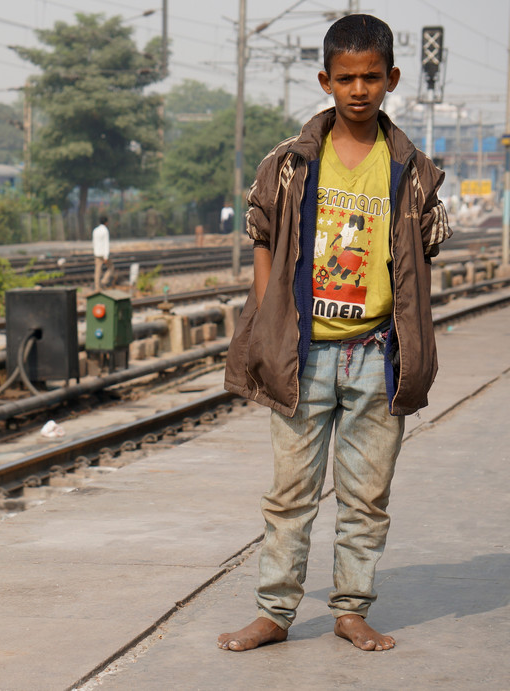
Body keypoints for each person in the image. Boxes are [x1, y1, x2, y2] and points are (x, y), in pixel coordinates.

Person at [220, 14, 451, 653]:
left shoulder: (412, 171)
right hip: (304, 354)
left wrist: (413, 345)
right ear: (326, 80)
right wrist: (267, 321)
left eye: (371, 77)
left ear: (392, 79)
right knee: (290, 493)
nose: (358, 89)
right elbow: (262, 238)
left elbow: (420, 261)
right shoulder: (291, 164)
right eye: (345, 78)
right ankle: (275, 612)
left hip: (377, 354)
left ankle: (351, 609)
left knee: (366, 495)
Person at [92, 215, 112, 290]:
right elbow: (106, 243)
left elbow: (93, 242)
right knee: (111, 268)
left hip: (97, 253)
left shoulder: (95, 230)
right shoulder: (105, 230)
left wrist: (95, 252)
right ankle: (103, 281)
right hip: (103, 253)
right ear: (106, 222)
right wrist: (106, 256)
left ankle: (97, 287)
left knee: (97, 270)